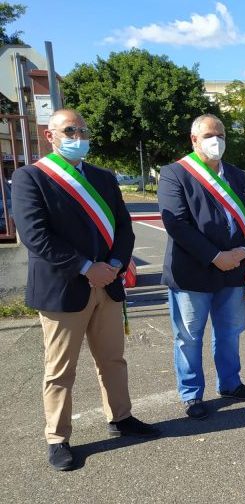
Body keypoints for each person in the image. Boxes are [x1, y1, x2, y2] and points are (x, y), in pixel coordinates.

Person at [12, 108, 159, 471]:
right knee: (60, 370)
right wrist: (84, 267)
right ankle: (57, 438)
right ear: (51, 135)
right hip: (64, 290)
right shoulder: (31, 177)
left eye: (83, 130)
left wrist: (114, 265)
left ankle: (121, 418)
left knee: (113, 360)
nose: (79, 135)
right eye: (70, 130)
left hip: (106, 285)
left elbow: (124, 227)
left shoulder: (103, 178)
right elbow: (35, 236)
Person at [158, 114, 245, 420]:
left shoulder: (237, 175)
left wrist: (244, 250)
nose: (216, 140)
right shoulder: (175, 173)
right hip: (192, 272)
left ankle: (230, 383)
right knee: (189, 337)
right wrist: (216, 256)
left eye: (221, 134)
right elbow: (175, 223)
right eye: (208, 135)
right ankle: (191, 394)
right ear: (194, 139)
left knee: (230, 331)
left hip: (233, 268)